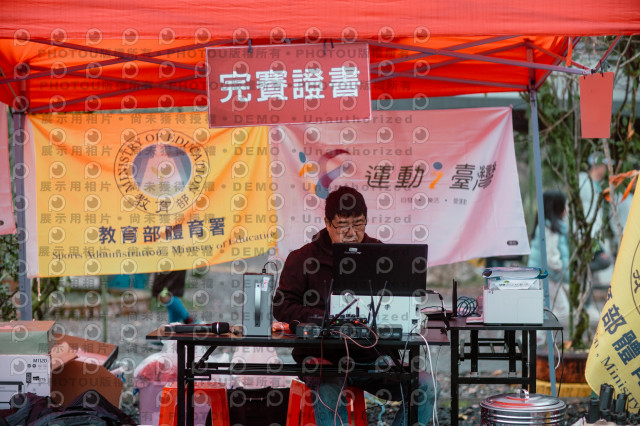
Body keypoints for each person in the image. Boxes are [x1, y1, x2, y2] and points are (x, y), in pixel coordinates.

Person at [273, 186, 438, 425]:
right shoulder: (302, 259)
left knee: (426, 385)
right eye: (343, 226)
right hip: (323, 357)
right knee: (328, 388)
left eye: (358, 224)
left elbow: (397, 299)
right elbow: (281, 306)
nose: (352, 233)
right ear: (328, 224)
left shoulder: (379, 254)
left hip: (371, 358)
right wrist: (323, 317)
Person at [528, 190, 571, 331]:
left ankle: (541, 340)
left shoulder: (546, 226)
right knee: (563, 310)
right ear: (557, 207)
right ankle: (546, 339)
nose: (567, 208)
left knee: (545, 309)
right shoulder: (550, 229)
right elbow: (551, 257)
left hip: (541, 275)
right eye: (565, 205)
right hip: (549, 276)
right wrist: (560, 269)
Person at [578, 152, 612, 272]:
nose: (606, 169)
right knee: (604, 260)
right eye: (605, 165)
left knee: (593, 261)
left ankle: (582, 274)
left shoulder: (598, 185)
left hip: (594, 235)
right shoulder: (582, 180)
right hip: (587, 234)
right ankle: (578, 271)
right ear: (596, 165)